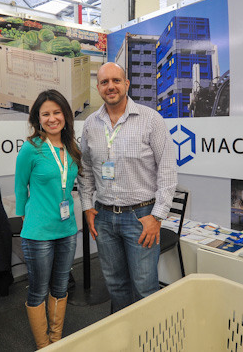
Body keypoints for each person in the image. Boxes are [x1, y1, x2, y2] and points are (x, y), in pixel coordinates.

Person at [77, 62, 177, 312]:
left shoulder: (151, 119)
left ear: (126, 84)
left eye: (116, 80)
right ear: (98, 88)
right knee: (116, 286)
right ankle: (123, 332)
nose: (110, 86)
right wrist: (87, 207)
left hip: (141, 218)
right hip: (103, 218)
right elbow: (85, 168)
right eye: (104, 82)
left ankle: (148, 334)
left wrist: (157, 216)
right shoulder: (90, 124)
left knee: (144, 288)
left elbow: (167, 171)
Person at [15, 89, 81, 349]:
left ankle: (56, 340)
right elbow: (20, 186)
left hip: (67, 229)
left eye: (57, 112)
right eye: (46, 114)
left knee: (61, 287)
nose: (52, 118)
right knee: (38, 290)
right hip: (39, 233)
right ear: (38, 119)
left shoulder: (71, 147)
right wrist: (25, 215)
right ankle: (44, 345)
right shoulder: (31, 148)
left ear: (65, 115)